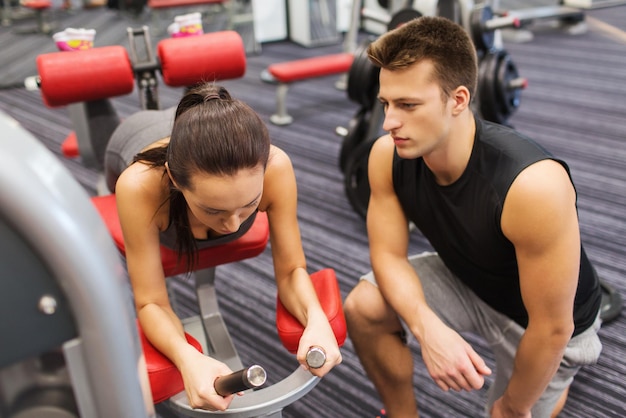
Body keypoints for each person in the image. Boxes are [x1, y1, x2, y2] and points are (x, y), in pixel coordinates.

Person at [343, 16, 602, 418]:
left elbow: (553, 328)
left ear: (458, 100)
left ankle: (558, 384)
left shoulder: (533, 186)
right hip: (469, 280)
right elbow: (388, 257)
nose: (390, 122)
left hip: (545, 324)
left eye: (408, 105)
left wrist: (515, 406)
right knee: (364, 306)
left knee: (508, 410)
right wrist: (426, 327)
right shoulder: (386, 156)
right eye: (386, 104)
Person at [105, 83, 342, 411]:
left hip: (196, 134)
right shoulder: (139, 185)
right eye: (214, 210)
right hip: (134, 135)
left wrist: (316, 319)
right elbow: (150, 302)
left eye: (248, 206)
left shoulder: (276, 167)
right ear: (175, 180)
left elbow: (291, 271)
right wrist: (188, 358)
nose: (232, 226)